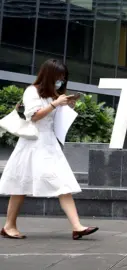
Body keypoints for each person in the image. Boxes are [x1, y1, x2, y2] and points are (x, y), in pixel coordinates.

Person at [0, 59, 98, 240]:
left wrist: (66, 106)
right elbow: (34, 116)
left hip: (49, 144)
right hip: (33, 143)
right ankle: (9, 225)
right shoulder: (32, 91)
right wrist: (55, 104)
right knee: (20, 184)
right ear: (49, 75)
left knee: (62, 182)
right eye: (58, 77)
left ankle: (77, 226)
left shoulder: (53, 94)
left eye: (63, 78)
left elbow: (54, 119)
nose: (60, 81)